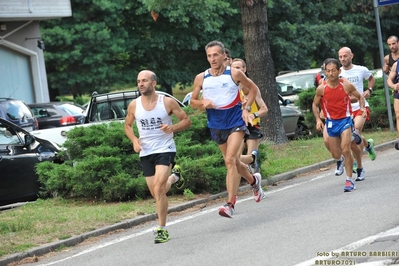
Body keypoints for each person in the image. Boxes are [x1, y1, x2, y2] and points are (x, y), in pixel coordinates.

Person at [190, 40, 264, 218]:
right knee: (235, 162)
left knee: (230, 160)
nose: (212, 59)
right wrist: (203, 102)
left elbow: (253, 89)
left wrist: (246, 109)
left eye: (216, 55)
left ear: (224, 56)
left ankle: (230, 204)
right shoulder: (202, 77)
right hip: (216, 124)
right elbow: (192, 102)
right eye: (209, 56)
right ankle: (254, 181)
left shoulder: (234, 73)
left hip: (235, 122)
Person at [124, 70, 191, 243]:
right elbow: (127, 126)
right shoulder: (134, 105)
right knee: (156, 191)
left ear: (154, 83)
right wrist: (134, 140)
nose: (141, 84)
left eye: (144, 80)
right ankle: (175, 177)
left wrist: (172, 128)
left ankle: (162, 229)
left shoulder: (166, 102)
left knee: (159, 188)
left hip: (165, 148)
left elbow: (186, 120)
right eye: (138, 81)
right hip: (146, 152)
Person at [312, 58, 366, 192]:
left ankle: (349, 180)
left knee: (346, 149)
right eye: (328, 71)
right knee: (336, 154)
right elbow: (314, 104)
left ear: (339, 71)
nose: (331, 74)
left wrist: (362, 108)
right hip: (331, 122)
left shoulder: (346, 85)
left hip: (345, 120)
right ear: (325, 71)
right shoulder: (322, 88)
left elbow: (360, 97)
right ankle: (340, 159)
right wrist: (318, 120)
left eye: (333, 71)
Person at [338, 47, 376, 181]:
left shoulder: (361, 69)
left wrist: (369, 90)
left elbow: (371, 78)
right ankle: (368, 145)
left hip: (360, 106)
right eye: (340, 57)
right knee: (352, 140)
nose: (343, 59)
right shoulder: (338, 73)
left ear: (351, 56)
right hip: (345, 110)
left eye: (345, 56)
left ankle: (358, 167)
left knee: (355, 134)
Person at [230, 58, 268, 173]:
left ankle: (257, 181)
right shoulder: (232, 87)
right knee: (234, 158)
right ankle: (251, 164)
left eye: (238, 67)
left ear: (244, 69)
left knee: (249, 161)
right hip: (238, 125)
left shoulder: (252, 88)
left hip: (252, 126)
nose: (236, 70)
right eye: (233, 68)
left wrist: (253, 115)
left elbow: (264, 109)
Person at [386, 60, 399, 149]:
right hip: (398, 94)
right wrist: (393, 86)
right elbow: (389, 79)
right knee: (398, 115)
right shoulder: (396, 64)